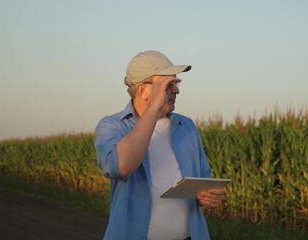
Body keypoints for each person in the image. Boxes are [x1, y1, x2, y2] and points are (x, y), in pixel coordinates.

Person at [94, 50, 224, 240]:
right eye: (168, 85)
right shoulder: (112, 126)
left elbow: (204, 181)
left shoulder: (186, 126)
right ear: (142, 90)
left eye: (176, 84)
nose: (177, 90)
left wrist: (208, 196)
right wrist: (154, 107)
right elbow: (121, 166)